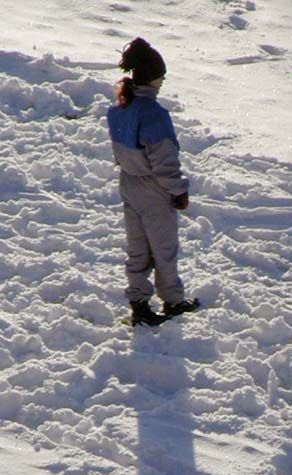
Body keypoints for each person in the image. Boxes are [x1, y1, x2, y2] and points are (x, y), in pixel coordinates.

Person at [107, 38, 199, 326]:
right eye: (162, 75)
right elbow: (163, 162)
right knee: (164, 247)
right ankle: (172, 301)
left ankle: (139, 304)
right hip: (152, 188)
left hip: (129, 183)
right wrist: (179, 191)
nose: (163, 80)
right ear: (153, 77)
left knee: (138, 248)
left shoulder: (119, 109)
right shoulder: (154, 114)